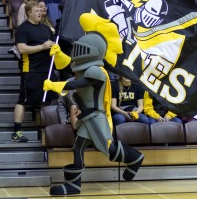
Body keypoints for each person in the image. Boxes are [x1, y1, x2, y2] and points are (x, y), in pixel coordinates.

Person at [43, 13, 144, 195]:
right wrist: (59, 54)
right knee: (78, 148)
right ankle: (73, 185)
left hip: (96, 117)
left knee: (108, 149)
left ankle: (134, 157)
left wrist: (55, 85)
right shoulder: (85, 68)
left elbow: (77, 84)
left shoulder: (96, 71)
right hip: (86, 117)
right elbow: (68, 65)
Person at [12, 1, 58, 142]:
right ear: (29, 13)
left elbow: (50, 47)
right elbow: (22, 49)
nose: (40, 12)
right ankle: (16, 131)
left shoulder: (46, 29)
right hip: (31, 70)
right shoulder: (22, 29)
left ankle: (49, 129)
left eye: (41, 10)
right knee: (23, 100)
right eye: (37, 10)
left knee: (52, 98)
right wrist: (43, 47)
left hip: (47, 70)